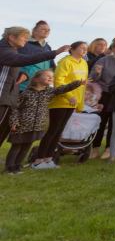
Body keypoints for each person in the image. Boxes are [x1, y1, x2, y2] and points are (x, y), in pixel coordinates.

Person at [0, 26, 69, 146]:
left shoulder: (11, 50)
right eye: (24, 37)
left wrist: (23, 73)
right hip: (2, 97)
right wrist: (55, 53)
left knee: (3, 130)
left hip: (8, 97)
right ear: (11, 37)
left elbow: (11, 66)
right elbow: (23, 59)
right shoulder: (4, 50)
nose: (26, 40)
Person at [5, 70, 83, 174]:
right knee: (17, 146)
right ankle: (9, 168)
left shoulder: (49, 92)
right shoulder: (26, 93)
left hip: (36, 126)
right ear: (36, 79)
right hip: (22, 125)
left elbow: (63, 89)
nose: (51, 78)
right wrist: (14, 122)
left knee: (26, 147)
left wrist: (77, 83)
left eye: (52, 76)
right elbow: (16, 108)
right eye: (47, 76)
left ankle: (17, 167)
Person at [34, 41, 89, 169]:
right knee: (52, 130)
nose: (84, 50)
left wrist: (80, 104)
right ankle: (38, 160)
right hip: (61, 101)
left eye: (86, 48)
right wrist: (69, 96)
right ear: (72, 49)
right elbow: (58, 82)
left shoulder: (84, 63)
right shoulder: (65, 62)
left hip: (73, 103)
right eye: (82, 48)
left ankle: (48, 159)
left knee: (59, 132)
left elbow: (83, 85)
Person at [89, 36, 115, 160]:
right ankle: (94, 148)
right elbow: (93, 78)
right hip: (105, 94)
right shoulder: (103, 60)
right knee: (100, 122)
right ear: (114, 47)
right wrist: (98, 72)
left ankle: (109, 149)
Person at [17, 21, 56, 92]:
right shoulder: (24, 44)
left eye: (48, 30)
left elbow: (51, 66)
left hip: (40, 87)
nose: (47, 31)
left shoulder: (48, 47)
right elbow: (16, 60)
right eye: (43, 29)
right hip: (22, 85)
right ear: (34, 31)